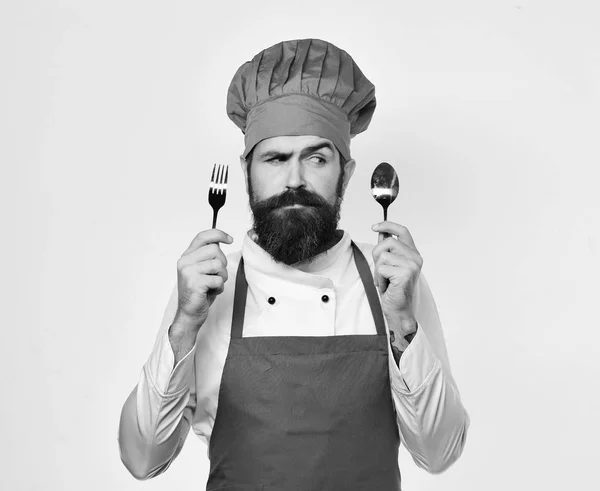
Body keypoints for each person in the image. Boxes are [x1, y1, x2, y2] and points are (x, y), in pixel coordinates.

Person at [118, 38, 470, 490]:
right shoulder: (208, 286)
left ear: (346, 173)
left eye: (317, 158)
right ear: (247, 171)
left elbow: (439, 454)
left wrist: (403, 324)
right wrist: (184, 324)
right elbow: (141, 458)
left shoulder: (391, 281)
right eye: (275, 158)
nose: (294, 180)